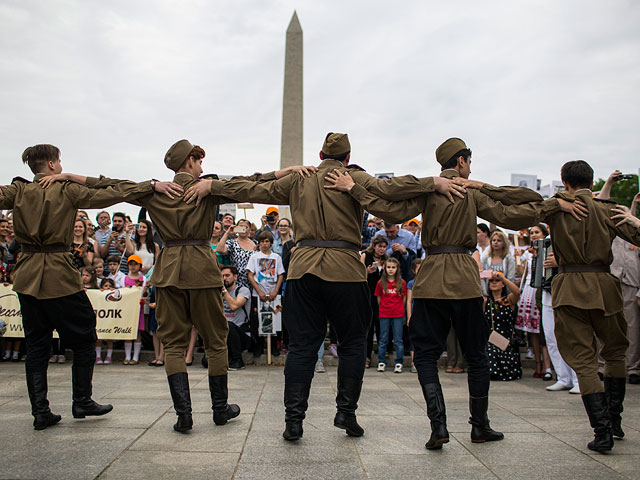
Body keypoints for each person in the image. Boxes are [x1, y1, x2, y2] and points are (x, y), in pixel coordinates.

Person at [184, 131, 467, 441]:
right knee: (353, 344)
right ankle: (346, 411)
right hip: (346, 271)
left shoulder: (301, 177)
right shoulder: (353, 175)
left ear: (319, 157)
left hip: (303, 270)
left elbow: (254, 186)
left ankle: (294, 421)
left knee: (302, 347)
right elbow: (391, 188)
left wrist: (214, 186)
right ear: (347, 158)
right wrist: (432, 182)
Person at [324, 136, 587, 450]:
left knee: (425, 355)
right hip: (463, 277)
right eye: (469, 162)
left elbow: (388, 210)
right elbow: (514, 214)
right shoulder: (470, 191)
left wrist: (354, 189)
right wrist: (551, 204)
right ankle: (480, 426)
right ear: (461, 161)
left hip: (432, 277)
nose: (469, 168)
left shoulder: (429, 189)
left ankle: (438, 427)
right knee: (476, 355)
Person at [0, 143, 180, 430]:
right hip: (58, 275)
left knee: (36, 344)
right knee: (84, 338)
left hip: (27, 274)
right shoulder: (66, 189)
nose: (60, 166)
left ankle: (40, 412)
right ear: (50, 165)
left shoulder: (18, 191)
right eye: (58, 162)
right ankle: (81, 400)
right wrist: (151, 186)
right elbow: (111, 193)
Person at [530, 160, 640, 452]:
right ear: (592, 182)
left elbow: (526, 211)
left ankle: (602, 431)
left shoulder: (556, 209)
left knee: (584, 361)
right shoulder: (608, 210)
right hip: (604, 286)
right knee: (615, 352)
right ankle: (614, 420)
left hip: (569, 288)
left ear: (564, 183)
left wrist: (558, 203)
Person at [600, 174, 640, 386]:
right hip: (612, 279)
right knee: (606, 325)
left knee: (632, 328)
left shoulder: (635, 232)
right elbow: (601, 201)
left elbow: (633, 221)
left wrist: (633, 206)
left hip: (632, 282)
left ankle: (632, 368)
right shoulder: (612, 229)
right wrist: (609, 183)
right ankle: (601, 365)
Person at [514, 225, 553, 380]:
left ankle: (548, 365)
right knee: (532, 332)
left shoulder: (546, 250)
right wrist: (518, 259)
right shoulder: (528, 254)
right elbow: (521, 273)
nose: (534, 235)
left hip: (541, 289)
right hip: (528, 291)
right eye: (531, 233)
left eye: (537, 232)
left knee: (543, 330)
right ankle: (538, 363)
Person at [246, 231, 285, 356]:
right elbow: (250, 275)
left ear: (271, 242)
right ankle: (258, 346)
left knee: (275, 318)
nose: (264, 243)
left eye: (267, 241)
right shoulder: (254, 257)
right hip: (258, 294)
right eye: (262, 241)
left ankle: (274, 346)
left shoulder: (276, 257)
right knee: (257, 320)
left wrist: (275, 291)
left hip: (273, 295)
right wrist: (259, 291)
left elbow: (280, 275)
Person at [484, 272, 522, 381]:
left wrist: (502, 278)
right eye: (491, 281)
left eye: (497, 281)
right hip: (491, 340)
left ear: (503, 284)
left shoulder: (508, 300)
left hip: (506, 341)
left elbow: (517, 292)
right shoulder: (486, 301)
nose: (494, 282)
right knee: (490, 351)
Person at [374, 258, 407, 373]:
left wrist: (398, 308)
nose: (391, 269)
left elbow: (403, 298)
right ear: (385, 268)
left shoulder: (401, 282)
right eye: (389, 267)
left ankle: (399, 362)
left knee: (398, 340)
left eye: (393, 267)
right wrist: (384, 308)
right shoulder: (380, 283)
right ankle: (381, 362)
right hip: (384, 314)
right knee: (383, 339)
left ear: (397, 268)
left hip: (398, 314)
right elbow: (379, 298)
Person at [361, 235, 388, 369]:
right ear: (374, 246)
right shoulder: (365, 255)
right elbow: (358, 274)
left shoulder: (387, 259)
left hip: (383, 296)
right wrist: (367, 271)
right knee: (369, 327)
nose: (382, 249)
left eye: (384, 247)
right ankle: (366, 357)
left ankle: (384, 355)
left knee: (382, 326)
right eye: (380, 246)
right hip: (368, 295)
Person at [220, 265, 251, 370]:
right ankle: (228, 357)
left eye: (227, 275)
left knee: (229, 325)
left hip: (242, 334)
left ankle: (238, 361)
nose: (224, 279)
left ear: (235, 277)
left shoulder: (243, 291)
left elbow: (234, 306)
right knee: (206, 362)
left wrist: (224, 291)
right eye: (222, 276)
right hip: (224, 336)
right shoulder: (219, 293)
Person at [216, 219, 257, 291]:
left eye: (246, 227)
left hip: (253, 282)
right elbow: (219, 249)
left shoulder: (256, 243)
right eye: (241, 227)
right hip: (237, 282)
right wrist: (228, 233)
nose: (243, 229)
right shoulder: (232, 243)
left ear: (250, 229)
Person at [122, 255, 147, 365]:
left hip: (138, 308)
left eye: (135, 264)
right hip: (127, 308)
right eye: (131, 264)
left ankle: (135, 357)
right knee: (128, 332)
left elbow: (144, 293)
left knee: (137, 333)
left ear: (140, 266)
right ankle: (127, 356)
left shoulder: (143, 279)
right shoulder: (124, 278)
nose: (133, 266)